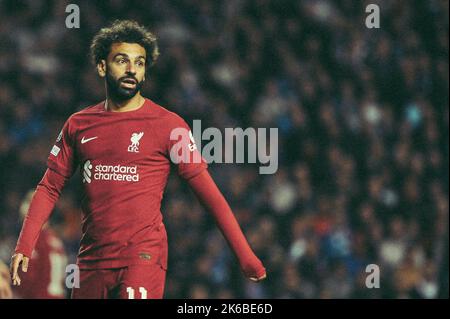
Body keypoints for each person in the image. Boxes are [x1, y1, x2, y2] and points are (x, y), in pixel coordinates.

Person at [10, 20, 266, 299]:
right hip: (91, 262)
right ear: (101, 67)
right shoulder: (78, 125)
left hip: (142, 257)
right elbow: (49, 187)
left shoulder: (169, 126)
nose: (132, 69)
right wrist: (24, 245)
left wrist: (245, 254)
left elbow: (210, 195)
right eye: (122, 60)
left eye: (140, 63)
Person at [13, 190, 68, 299]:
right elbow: (70, 276)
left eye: (30, 201)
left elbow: (28, 279)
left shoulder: (34, 240)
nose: (24, 206)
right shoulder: (55, 239)